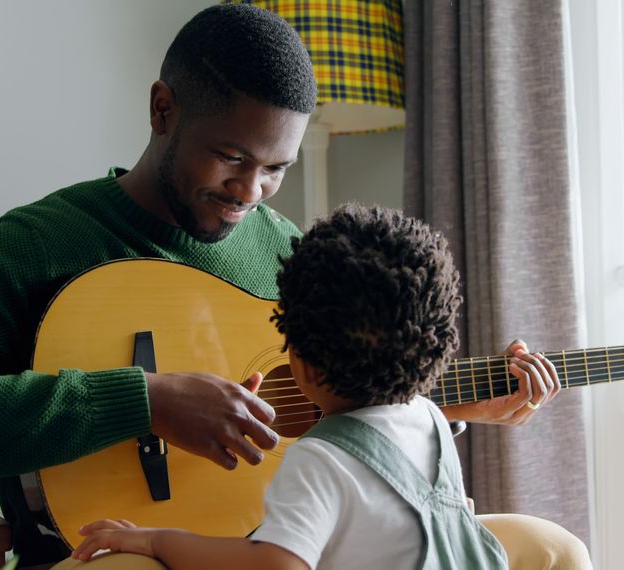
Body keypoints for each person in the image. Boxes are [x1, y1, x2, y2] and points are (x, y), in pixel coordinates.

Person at [0, 4, 584, 569]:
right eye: (232, 157)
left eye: (277, 169)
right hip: (127, 549)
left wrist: (438, 406)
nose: (251, 191)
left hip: (298, 545)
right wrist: (145, 401)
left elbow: (333, 409)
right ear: (163, 109)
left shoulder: (293, 252)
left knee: (551, 550)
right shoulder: (45, 241)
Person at [60, 205, 577, 570]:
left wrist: (156, 540)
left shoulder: (319, 460)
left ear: (299, 362)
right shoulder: (431, 420)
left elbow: (276, 565)